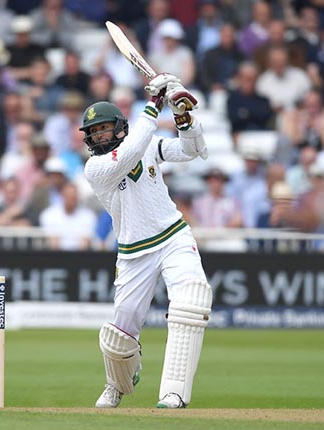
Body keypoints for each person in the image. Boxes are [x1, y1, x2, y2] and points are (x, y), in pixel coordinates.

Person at [79, 73, 212, 409]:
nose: (99, 135)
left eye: (104, 128)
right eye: (94, 131)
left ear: (119, 127)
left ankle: (173, 393)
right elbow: (129, 153)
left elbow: (192, 150)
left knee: (191, 300)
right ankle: (117, 383)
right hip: (133, 252)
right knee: (118, 336)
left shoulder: (148, 144)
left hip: (172, 236)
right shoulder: (95, 168)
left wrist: (182, 117)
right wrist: (154, 103)